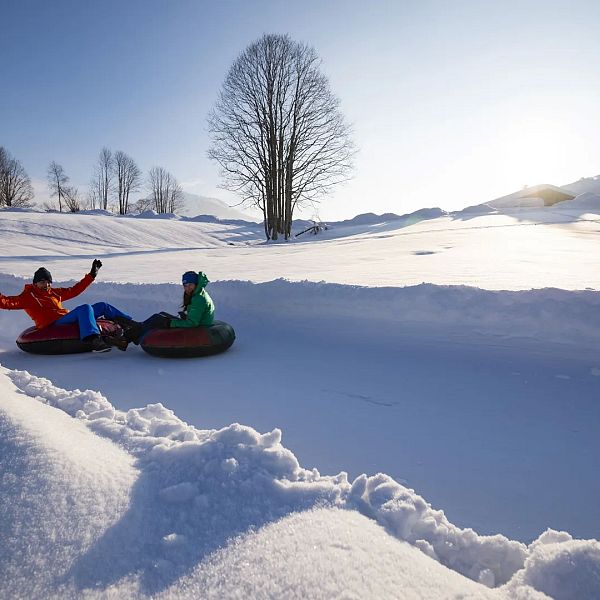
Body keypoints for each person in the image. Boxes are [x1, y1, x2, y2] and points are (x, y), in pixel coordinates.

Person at [0, 260, 135, 353]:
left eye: (48, 282)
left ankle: (131, 324)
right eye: (42, 282)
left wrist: (92, 275)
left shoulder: (54, 292)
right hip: (52, 324)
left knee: (102, 306)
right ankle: (94, 340)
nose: (46, 285)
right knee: (85, 308)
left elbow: (74, 290)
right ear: (35, 283)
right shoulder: (28, 297)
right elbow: (6, 302)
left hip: (65, 318)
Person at [123, 271, 215, 345]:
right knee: (161, 315)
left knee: (157, 319)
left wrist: (171, 323)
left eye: (190, 285)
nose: (187, 288)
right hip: (198, 324)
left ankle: (126, 338)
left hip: (200, 329)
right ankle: (136, 334)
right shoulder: (198, 293)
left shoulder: (199, 299)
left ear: (196, 284)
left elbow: (192, 323)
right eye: (185, 286)